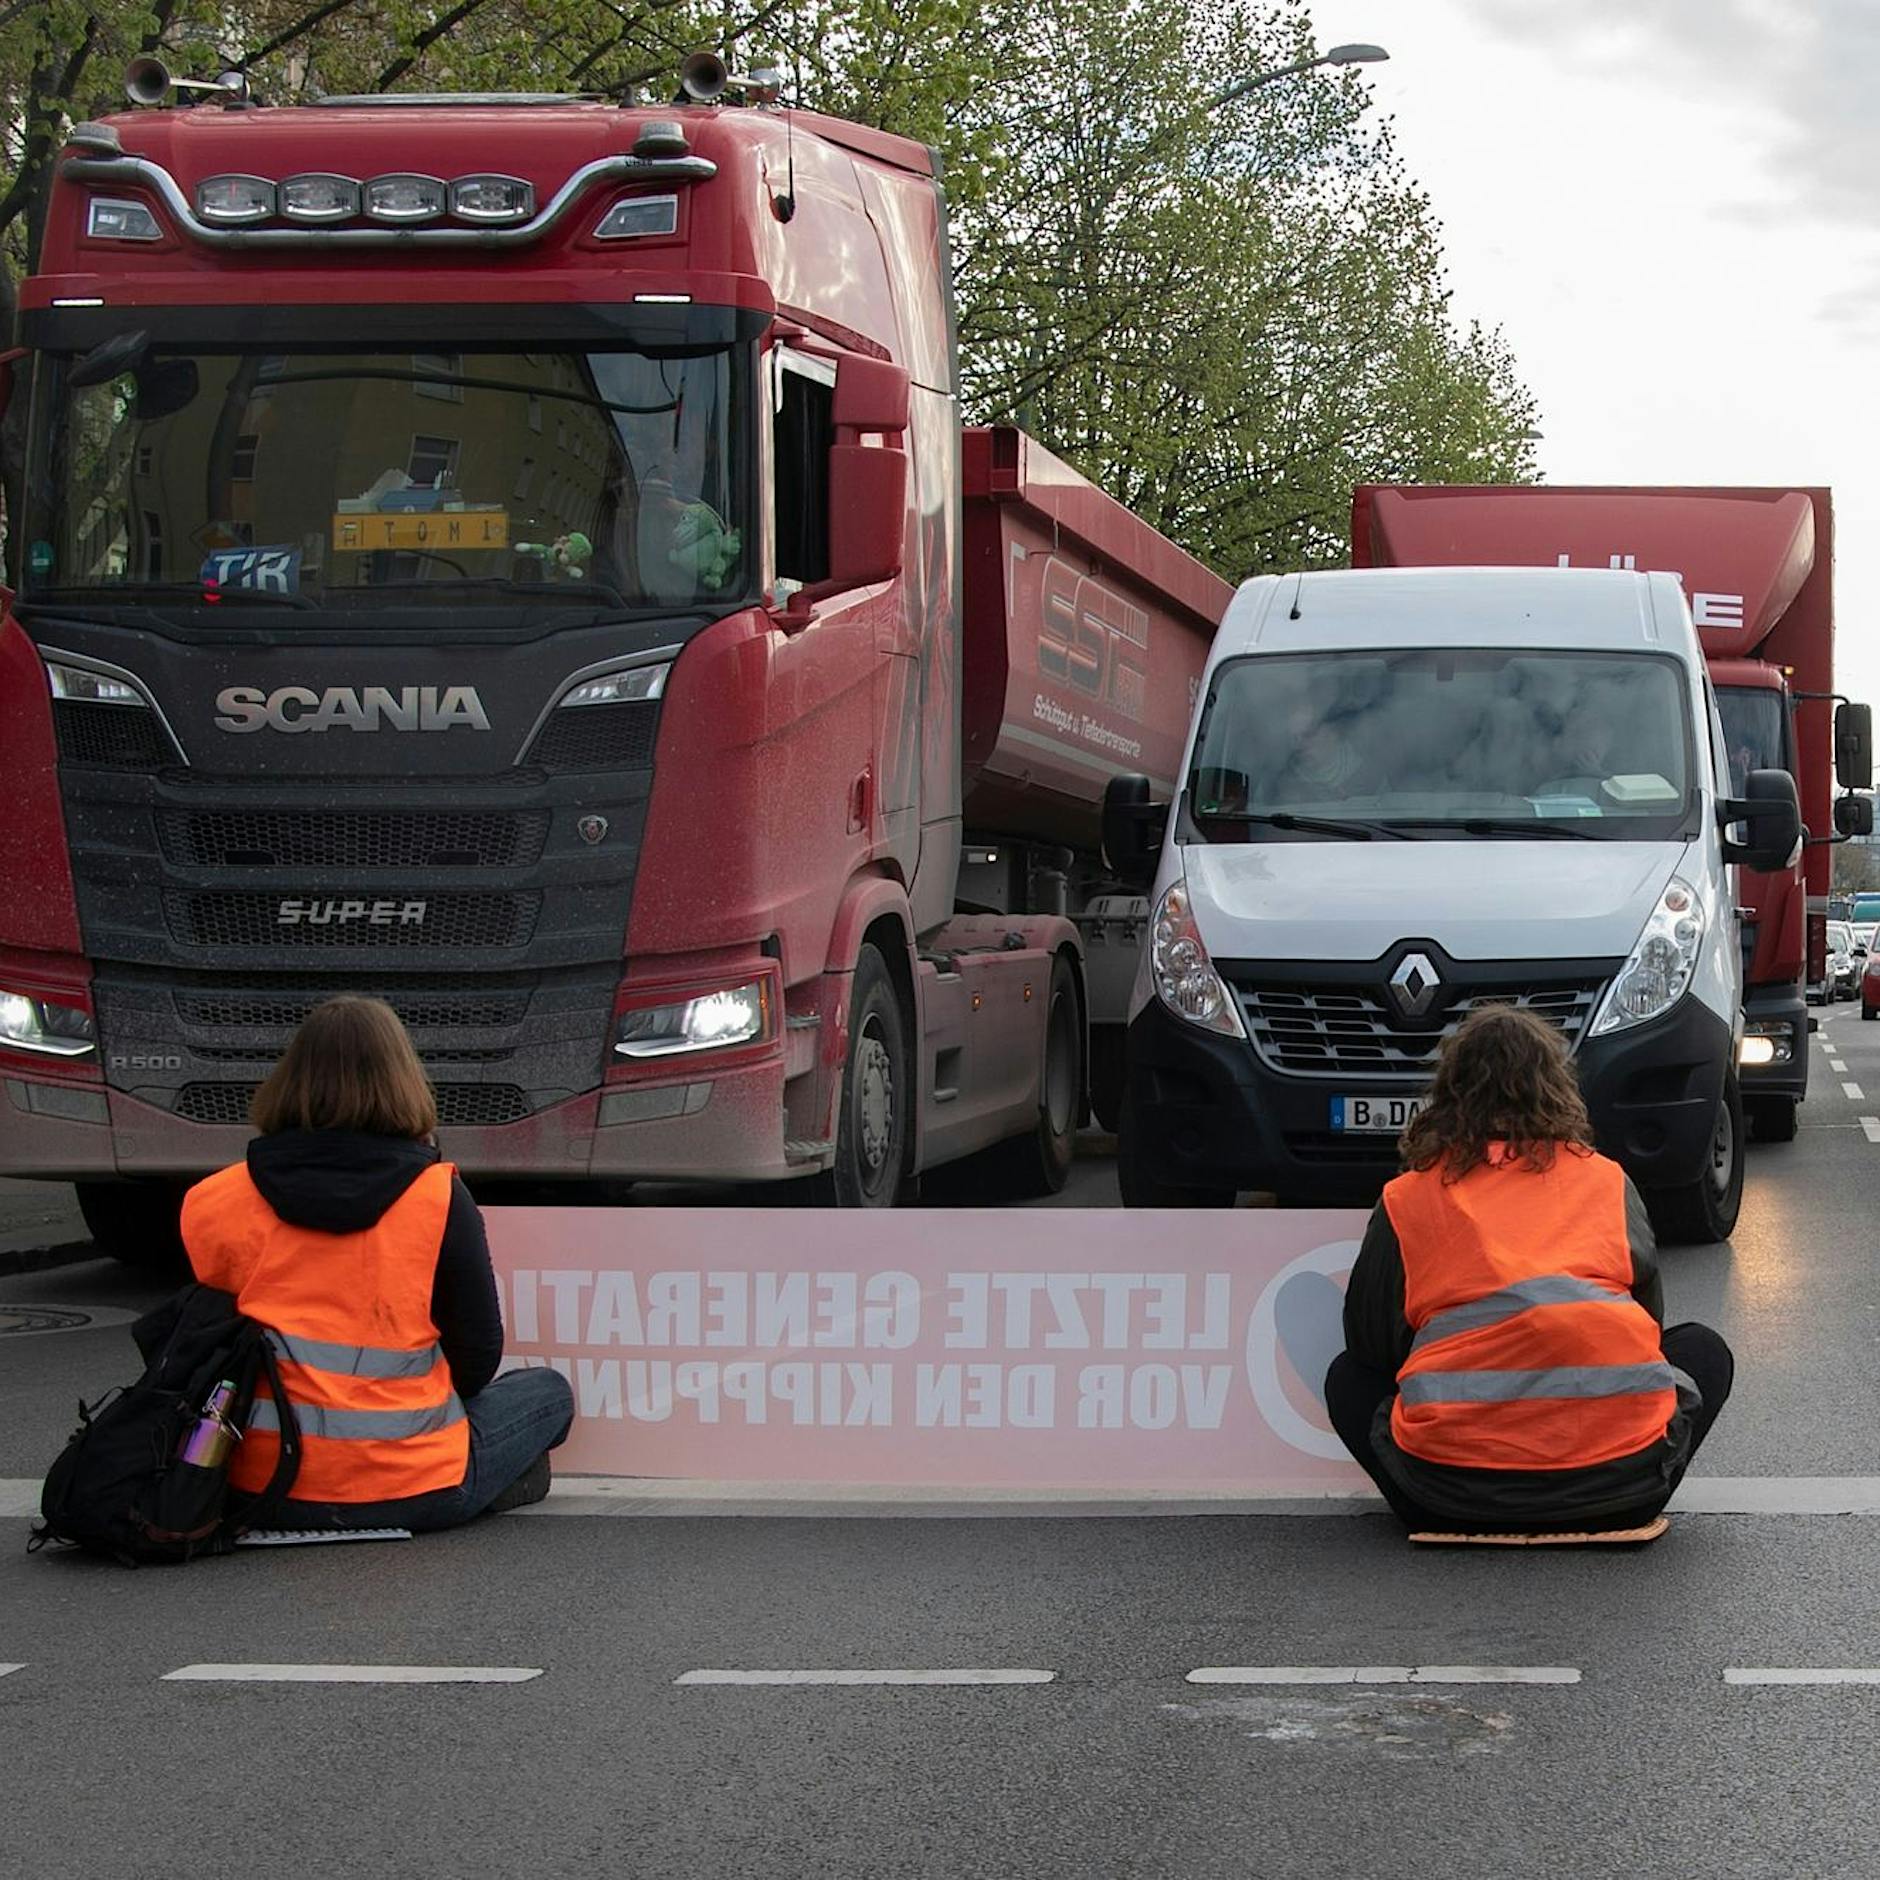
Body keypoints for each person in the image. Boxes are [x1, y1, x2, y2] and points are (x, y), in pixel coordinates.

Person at [1323, 1004, 1733, 1532]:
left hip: (1445, 1495)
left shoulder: (1408, 1196)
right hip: (1622, 1491)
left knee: (1348, 1377)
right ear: (1558, 1089)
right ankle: (1615, 1475)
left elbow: (1369, 1343)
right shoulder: (1606, 1180)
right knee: (1703, 1349)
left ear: (1448, 1094)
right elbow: (1648, 1329)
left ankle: (1455, 1472)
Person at [180, 997, 574, 1533]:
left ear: (288, 1082)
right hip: (416, 1487)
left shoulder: (214, 1200)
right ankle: (494, 1481)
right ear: (403, 1082)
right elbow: (478, 1355)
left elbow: (202, 1349)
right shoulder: (437, 1196)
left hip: (257, 1488)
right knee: (548, 1392)